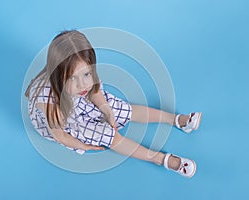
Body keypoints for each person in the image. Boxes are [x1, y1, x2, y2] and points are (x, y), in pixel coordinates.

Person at [25, 30, 202, 178]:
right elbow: (60, 136)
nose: (83, 84)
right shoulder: (49, 104)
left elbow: (93, 91)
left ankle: (175, 119)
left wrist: (106, 109)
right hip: (66, 120)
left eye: (86, 74)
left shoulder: (84, 85)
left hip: (79, 100)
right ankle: (159, 158)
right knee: (112, 137)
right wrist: (82, 145)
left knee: (124, 110)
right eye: (72, 78)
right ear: (59, 77)